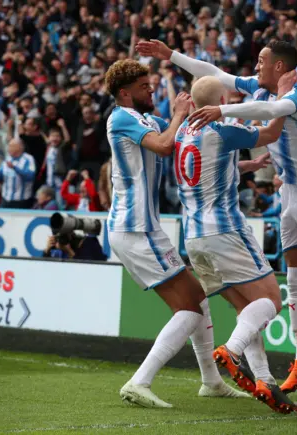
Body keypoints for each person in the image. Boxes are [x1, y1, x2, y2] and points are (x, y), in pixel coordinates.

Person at [137, 38, 297, 395]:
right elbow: (215, 74)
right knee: (294, 278)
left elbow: (271, 114)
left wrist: (223, 111)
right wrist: (171, 56)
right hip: (287, 193)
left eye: (262, 60)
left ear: (279, 66)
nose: (256, 65)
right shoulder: (259, 91)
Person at [103, 59, 245, 409]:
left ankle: (211, 382)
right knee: (191, 306)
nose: (151, 90)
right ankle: (140, 381)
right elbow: (166, 145)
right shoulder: (120, 118)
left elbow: (189, 150)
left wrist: (242, 164)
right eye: (143, 87)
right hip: (133, 228)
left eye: (151, 85)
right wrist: (180, 112)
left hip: (144, 227)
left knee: (197, 299)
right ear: (125, 93)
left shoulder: (146, 119)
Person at [176, 76, 297, 414]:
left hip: (194, 235)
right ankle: (231, 349)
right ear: (220, 100)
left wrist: (249, 166)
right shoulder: (221, 130)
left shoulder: (185, 131)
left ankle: (265, 380)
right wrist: (286, 99)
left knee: (248, 310)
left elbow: (210, 167)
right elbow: (272, 133)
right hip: (225, 229)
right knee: (271, 299)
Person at [0, 138, 37, 209]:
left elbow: (30, 177)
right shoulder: (7, 158)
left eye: (11, 146)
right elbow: (0, 178)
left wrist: (15, 168)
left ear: (20, 147)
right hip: (5, 199)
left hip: (21, 201)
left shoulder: (29, 159)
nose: (8, 148)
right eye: (9, 146)